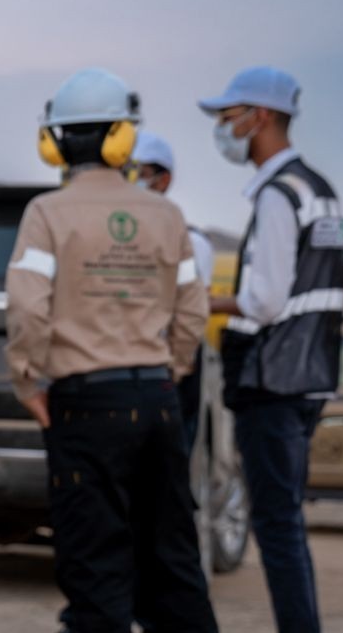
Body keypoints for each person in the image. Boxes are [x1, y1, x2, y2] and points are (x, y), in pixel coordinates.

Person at [5, 68, 217, 633]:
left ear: (53, 142)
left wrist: (28, 381)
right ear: (124, 138)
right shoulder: (168, 216)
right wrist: (169, 368)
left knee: (96, 569)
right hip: (156, 402)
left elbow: (28, 310)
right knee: (174, 564)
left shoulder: (46, 215)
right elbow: (193, 308)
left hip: (83, 406)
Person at [198, 66, 343, 633]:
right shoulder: (321, 191)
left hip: (274, 383)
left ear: (260, 117)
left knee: (279, 527)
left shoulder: (279, 196)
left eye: (228, 117)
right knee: (287, 523)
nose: (223, 129)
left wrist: (198, 301)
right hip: (309, 377)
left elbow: (263, 301)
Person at [130, 130, 216, 451]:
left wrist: (177, 369)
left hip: (168, 373)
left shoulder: (192, 243)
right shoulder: (109, 236)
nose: (129, 180)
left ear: (163, 180)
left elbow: (191, 313)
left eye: (138, 172)